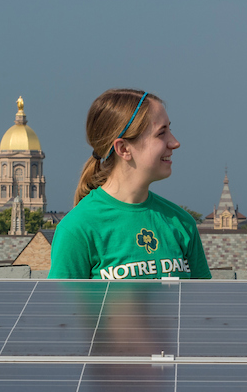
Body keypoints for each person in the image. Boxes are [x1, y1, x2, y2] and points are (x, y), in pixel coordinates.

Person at [48, 89, 211, 280]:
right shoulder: (77, 230)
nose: (174, 143)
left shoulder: (183, 223)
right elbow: (62, 308)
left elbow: (202, 306)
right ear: (124, 148)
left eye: (170, 130)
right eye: (161, 133)